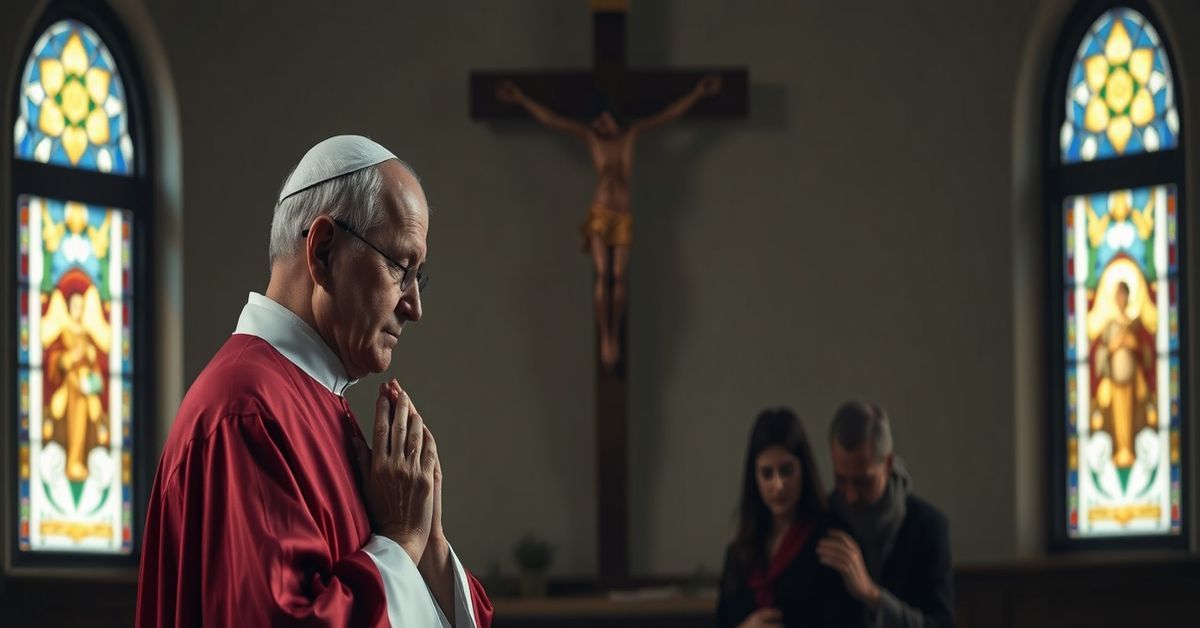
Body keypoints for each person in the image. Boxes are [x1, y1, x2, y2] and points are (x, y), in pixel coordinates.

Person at [135, 136, 492, 627]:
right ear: (324, 251)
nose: (414, 307)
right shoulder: (246, 412)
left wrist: (426, 539)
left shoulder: (317, 399)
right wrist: (400, 541)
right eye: (400, 268)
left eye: (418, 277)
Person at [495, 75, 721, 370]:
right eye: (596, 124)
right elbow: (554, 120)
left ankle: (613, 333)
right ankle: (608, 337)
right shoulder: (592, 140)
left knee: (618, 277)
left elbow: (666, 116)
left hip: (623, 216)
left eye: (602, 121)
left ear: (613, 117)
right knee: (603, 276)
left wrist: (697, 94)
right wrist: (521, 99)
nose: (599, 128)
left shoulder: (632, 135)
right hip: (601, 214)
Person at [716, 408, 859, 628]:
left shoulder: (831, 540)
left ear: (803, 470)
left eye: (786, 470)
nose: (778, 485)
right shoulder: (739, 553)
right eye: (767, 474)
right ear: (754, 479)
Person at [816, 400, 953, 628]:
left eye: (862, 482)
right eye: (841, 480)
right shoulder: (821, 522)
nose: (850, 495)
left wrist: (872, 595)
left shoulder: (929, 528)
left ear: (888, 463)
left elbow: (941, 625)